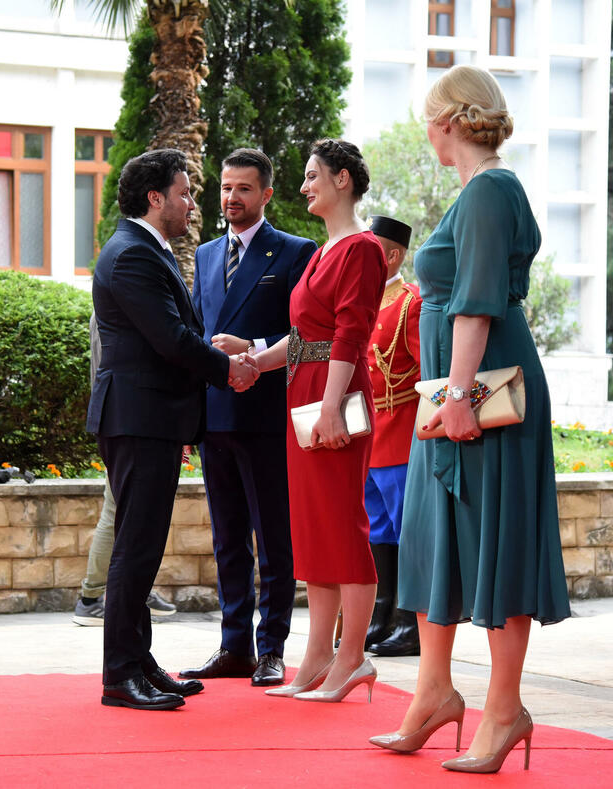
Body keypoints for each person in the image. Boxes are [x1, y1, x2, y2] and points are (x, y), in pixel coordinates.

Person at [369, 65, 570, 772]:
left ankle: (504, 710)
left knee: (494, 543)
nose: (426, 131)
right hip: (454, 391)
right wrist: (450, 396)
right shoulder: (478, 191)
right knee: (436, 541)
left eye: (429, 117)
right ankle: (433, 693)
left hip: (478, 393)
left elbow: (477, 302)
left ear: (450, 120)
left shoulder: (489, 190)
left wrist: (458, 398)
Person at [87, 148, 259, 711]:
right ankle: (120, 675)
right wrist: (228, 369)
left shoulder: (146, 249)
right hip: (138, 419)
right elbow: (171, 339)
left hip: (149, 419)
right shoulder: (132, 254)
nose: (193, 204)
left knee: (142, 547)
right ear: (155, 198)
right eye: (185, 194)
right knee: (136, 549)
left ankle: (139, 663)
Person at [252, 139, 387, 702]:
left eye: (312, 175)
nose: (304, 185)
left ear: (342, 180)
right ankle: (315, 659)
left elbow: (351, 334)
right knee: (313, 531)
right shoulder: (323, 250)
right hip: (304, 393)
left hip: (333, 396)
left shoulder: (362, 249)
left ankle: (352, 657)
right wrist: (255, 362)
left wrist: (332, 406)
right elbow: (303, 336)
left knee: (343, 527)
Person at [180, 150, 316, 687]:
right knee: (227, 539)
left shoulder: (296, 252)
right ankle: (233, 646)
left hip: (265, 417)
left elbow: (306, 335)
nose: (231, 197)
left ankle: (271, 649)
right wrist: (189, 418)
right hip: (215, 418)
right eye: (225, 187)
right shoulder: (207, 254)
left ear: (266, 195)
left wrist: (253, 348)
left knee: (273, 538)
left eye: (243, 188)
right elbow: (196, 332)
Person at [73, 312, 177, 626]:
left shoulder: (112, 305)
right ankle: (93, 597)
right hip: (123, 422)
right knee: (116, 510)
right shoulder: (113, 307)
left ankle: (126, 590)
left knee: (121, 510)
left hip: (119, 420)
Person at [363, 215, 423, 659]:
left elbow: (428, 371)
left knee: (407, 530)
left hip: (401, 433)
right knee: (377, 529)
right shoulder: (360, 301)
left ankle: (410, 621)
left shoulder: (410, 304)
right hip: (367, 434)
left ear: (393, 256)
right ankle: (381, 613)